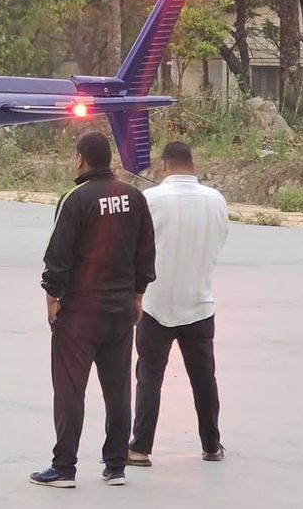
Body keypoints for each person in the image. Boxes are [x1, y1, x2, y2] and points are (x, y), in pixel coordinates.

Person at [32, 131, 156, 489]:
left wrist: (53, 297)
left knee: (70, 390)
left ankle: (64, 467)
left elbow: (58, 255)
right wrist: (137, 295)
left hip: (80, 312)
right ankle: (115, 465)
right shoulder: (133, 197)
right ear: (109, 159)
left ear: (80, 159)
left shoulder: (75, 199)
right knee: (118, 389)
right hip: (120, 309)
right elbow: (146, 251)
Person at [128, 141, 229, 467]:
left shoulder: (150, 199)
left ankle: (140, 448)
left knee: (149, 376)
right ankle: (211, 445)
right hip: (199, 302)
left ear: (164, 166)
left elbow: (134, 249)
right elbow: (220, 241)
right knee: (204, 377)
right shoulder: (216, 200)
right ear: (192, 164)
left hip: (155, 304)